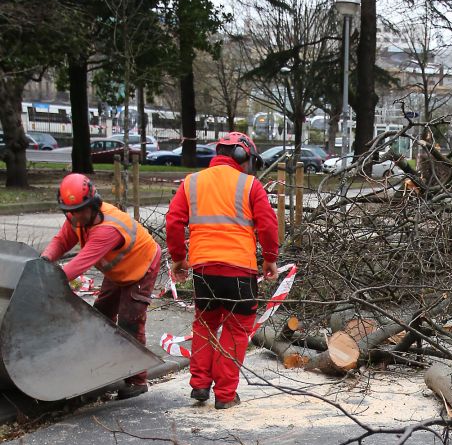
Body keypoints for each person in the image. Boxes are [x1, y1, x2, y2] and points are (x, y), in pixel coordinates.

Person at [166, 132, 279, 409]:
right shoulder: (250, 185)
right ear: (242, 156)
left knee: (205, 325)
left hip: (204, 269)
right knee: (236, 330)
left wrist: (179, 259)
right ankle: (226, 395)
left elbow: (173, 222)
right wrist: (270, 258)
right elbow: (267, 225)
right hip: (240, 270)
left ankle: (200, 385)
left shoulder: (191, 183)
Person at [42, 173, 161, 399]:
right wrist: (45, 261)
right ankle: (103, 367)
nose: (73, 216)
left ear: (93, 205)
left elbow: (79, 264)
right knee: (101, 315)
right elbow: (61, 241)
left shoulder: (108, 229)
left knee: (129, 321)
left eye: (78, 210)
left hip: (140, 268)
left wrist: (45, 281)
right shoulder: (77, 218)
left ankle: (137, 380)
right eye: (69, 211)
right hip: (117, 271)